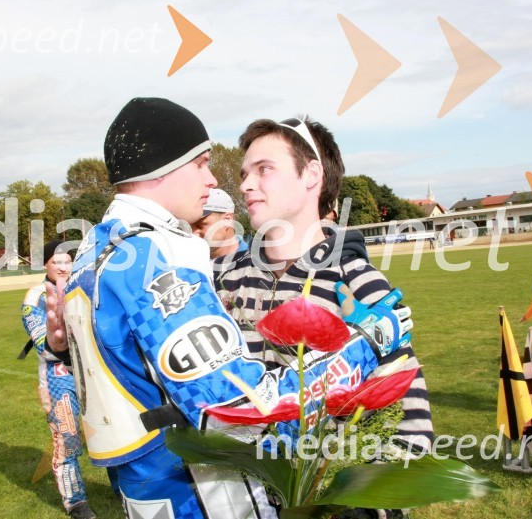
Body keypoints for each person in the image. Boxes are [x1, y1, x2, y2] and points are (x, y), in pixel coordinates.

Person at [51, 97, 389, 519]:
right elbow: (237, 409)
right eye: (202, 163)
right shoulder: (154, 254)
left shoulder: (95, 246)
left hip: (147, 489)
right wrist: (368, 342)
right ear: (164, 165)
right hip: (202, 493)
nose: (213, 180)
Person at [214, 116, 434, 456]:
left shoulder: (356, 281)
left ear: (312, 175)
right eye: (245, 174)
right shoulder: (220, 277)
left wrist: (369, 504)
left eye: (264, 169)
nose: (244, 185)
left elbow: (410, 416)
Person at [20, 240, 96, 519]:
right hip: (58, 374)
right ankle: (75, 502)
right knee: (68, 437)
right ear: (46, 265)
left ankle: (119, 484)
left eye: (67, 261)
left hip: (91, 372)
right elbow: (44, 344)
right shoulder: (36, 296)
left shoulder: (83, 287)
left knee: (107, 427)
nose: (63, 267)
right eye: (57, 262)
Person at [189, 188, 249, 258]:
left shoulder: (257, 263)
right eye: (190, 226)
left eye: (200, 225)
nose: (193, 233)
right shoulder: (187, 263)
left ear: (227, 220)